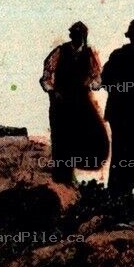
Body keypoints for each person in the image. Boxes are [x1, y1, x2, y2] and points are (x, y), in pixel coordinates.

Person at [39, 22, 109, 185]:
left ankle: (70, 179)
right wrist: (52, 91)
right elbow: (46, 76)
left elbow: (97, 78)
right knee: (61, 140)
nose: (80, 38)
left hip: (80, 104)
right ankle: (60, 180)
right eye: (76, 35)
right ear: (72, 36)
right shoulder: (60, 52)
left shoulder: (89, 54)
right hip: (61, 104)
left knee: (86, 138)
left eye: (82, 35)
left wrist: (92, 83)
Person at [101, 18, 134, 197]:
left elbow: (105, 80)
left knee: (122, 154)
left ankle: (118, 193)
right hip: (130, 116)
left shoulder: (120, 54)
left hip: (121, 114)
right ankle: (122, 193)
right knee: (132, 155)